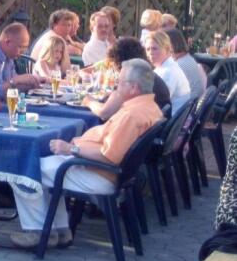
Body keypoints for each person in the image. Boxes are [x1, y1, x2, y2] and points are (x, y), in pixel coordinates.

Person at [10, 59, 163, 249]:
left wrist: (71, 149)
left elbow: (109, 156)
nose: (116, 85)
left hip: (100, 173)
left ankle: (38, 233)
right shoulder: (150, 107)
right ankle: (59, 230)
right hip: (106, 171)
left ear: (134, 88)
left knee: (24, 170)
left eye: (120, 82)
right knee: (42, 165)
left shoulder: (132, 116)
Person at [83, 37, 171, 121]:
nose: (115, 69)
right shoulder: (149, 76)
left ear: (120, 62)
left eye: (114, 64)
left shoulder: (131, 82)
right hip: (153, 125)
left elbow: (104, 113)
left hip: (137, 127)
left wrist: (88, 102)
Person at [145, 30, 191, 115]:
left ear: (166, 49)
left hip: (170, 119)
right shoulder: (164, 67)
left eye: (154, 48)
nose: (150, 52)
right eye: (148, 49)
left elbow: (157, 102)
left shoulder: (168, 72)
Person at [166, 28, 206, 100]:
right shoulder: (188, 58)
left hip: (188, 104)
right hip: (196, 101)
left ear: (170, 45)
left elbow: (165, 94)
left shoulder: (177, 66)